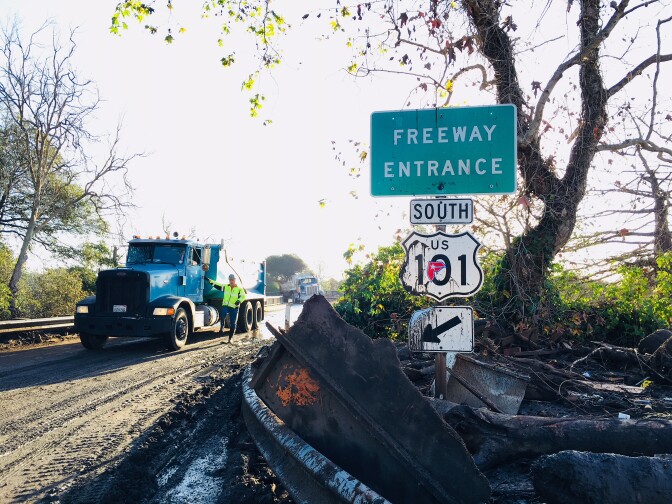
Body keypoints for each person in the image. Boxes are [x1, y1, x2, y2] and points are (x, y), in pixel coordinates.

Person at [207, 273, 246, 343]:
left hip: (234, 307)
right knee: (222, 314)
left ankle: (230, 338)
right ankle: (222, 327)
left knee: (233, 323)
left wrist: (239, 301)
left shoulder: (239, 289)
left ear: (235, 280)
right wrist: (209, 280)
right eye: (230, 280)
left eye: (232, 280)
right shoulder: (226, 287)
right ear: (229, 280)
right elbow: (216, 284)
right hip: (226, 305)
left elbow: (243, 296)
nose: (231, 281)